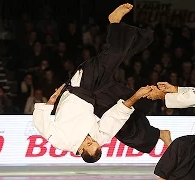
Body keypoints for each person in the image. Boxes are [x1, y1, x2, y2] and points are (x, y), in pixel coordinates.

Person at [33, 3, 171, 164]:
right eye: (94, 142)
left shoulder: (60, 140)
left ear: (81, 150)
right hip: (95, 97)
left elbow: (39, 123)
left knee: (114, 55)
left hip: (82, 85)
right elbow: (116, 117)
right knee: (128, 123)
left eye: (89, 143)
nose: (91, 139)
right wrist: (137, 95)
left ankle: (114, 23)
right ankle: (160, 134)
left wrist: (50, 103)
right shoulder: (99, 139)